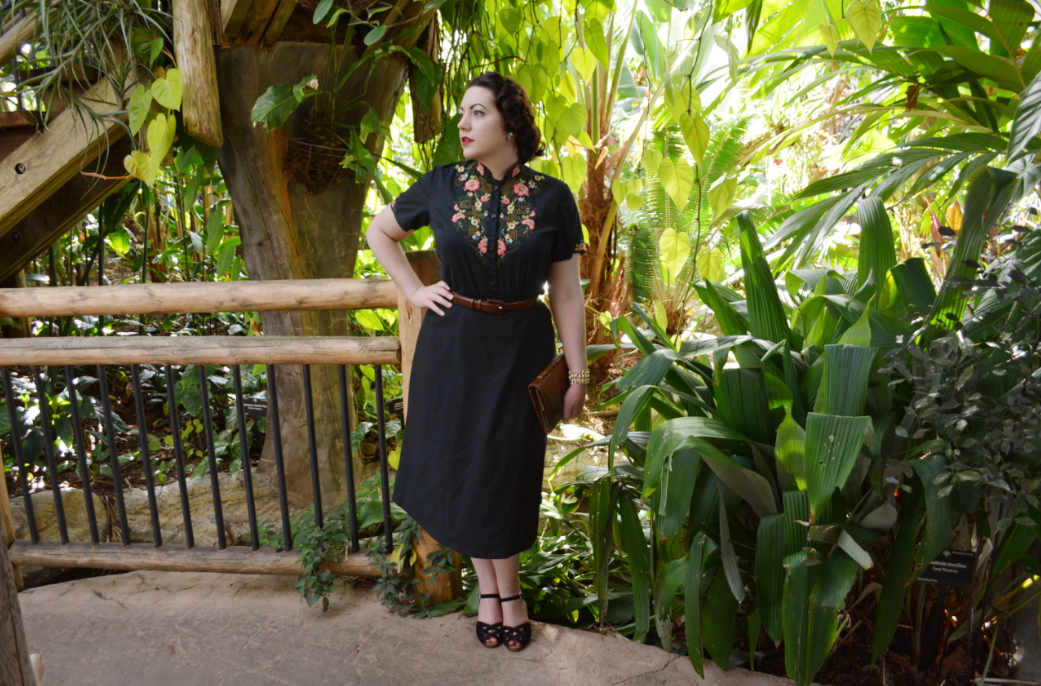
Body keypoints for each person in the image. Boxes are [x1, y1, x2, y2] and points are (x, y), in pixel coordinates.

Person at [365, 72, 589, 652]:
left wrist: (577, 372)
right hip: (453, 349)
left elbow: (567, 294)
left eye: (477, 112)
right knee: (466, 471)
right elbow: (380, 232)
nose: (463, 123)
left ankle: (505, 593)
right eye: (462, 113)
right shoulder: (440, 185)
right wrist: (415, 291)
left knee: (505, 472)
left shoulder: (553, 197)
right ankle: (496, 594)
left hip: (521, 351)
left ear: (510, 123)